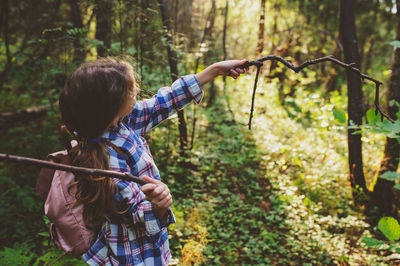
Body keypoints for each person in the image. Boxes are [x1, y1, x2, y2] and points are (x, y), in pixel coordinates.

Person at [59, 57, 247, 265]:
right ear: (112, 106)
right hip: (134, 254)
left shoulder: (119, 123)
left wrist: (214, 70)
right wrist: (158, 205)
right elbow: (136, 214)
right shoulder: (106, 160)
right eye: (131, 90)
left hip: (149, 246)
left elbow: (161, 104)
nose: (137, 89)